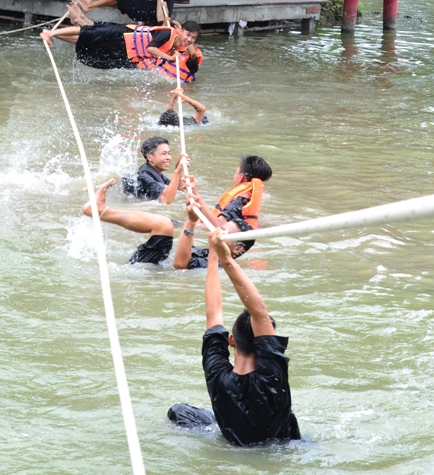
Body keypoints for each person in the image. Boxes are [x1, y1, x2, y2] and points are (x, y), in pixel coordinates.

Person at [167, 228, 301, 446]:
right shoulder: (272, 377)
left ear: (231, 341)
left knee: (178, 411)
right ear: (268, 343)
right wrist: (226, 259)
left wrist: (215, 255)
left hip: (236, 439)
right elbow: (258, 309)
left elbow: (214, 312)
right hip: (282, 449)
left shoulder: (217, 375)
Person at [82, 180, 254, 268]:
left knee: (164, 225)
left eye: (223, 231)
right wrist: (194, 195)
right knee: (166, 224)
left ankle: (100, 210)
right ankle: (101, 210)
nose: (217, 230)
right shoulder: (213, 254)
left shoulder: (218, 265)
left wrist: (191, 221)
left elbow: (180, 264)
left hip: (150, 269)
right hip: (153, 264)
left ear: (238, 248)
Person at [39, 13, 203, 82]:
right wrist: (169, 58)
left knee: (87, 44)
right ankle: (50, 33)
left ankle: (53, 32)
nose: (189, 39)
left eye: (193, 38)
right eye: (187, 35)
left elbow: (192, 63)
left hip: (125, 51)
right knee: (89, 32)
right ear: (181, 31)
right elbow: (151, 49)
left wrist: (186, 49)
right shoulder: (168, 34)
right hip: (123, 35)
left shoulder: (180, 44)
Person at [121, 136, 189, 203]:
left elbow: (180, 189)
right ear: (150, 157)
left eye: (169, 153)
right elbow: (166, 200)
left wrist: (178, 168)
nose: (168, 157)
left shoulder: (157, 174)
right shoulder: (144, 177)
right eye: (164, 154)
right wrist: (177, 171)